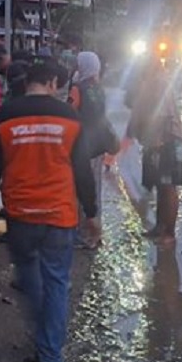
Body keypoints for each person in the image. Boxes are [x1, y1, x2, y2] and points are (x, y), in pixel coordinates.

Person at [0, 61, 99, 362]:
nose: (59, 90)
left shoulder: (5, 115)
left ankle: (44, 338)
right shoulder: (69, 118)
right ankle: (51, 357)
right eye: (57, 84)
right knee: (57, 283)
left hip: (20, 215)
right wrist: (92, 213)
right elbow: (83, 171)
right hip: (60, 215)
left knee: (31, 279)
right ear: (48, 82)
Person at [128, 57, 182, 245]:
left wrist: (156, 142)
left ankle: (169, 233)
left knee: (168, 187)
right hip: (156, 141)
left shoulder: (158, 83)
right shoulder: (149, 83)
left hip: (167, 141)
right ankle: (160, 227)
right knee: (161, 186)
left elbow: (162, 115)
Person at [68, 52, 119, 247]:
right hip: (99, 145)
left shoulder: (77, 89)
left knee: (82, 187)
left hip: (82, 145)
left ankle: (84, 233)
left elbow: (69, 112)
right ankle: (96, 232)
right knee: (95, 188)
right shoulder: (98, 88)